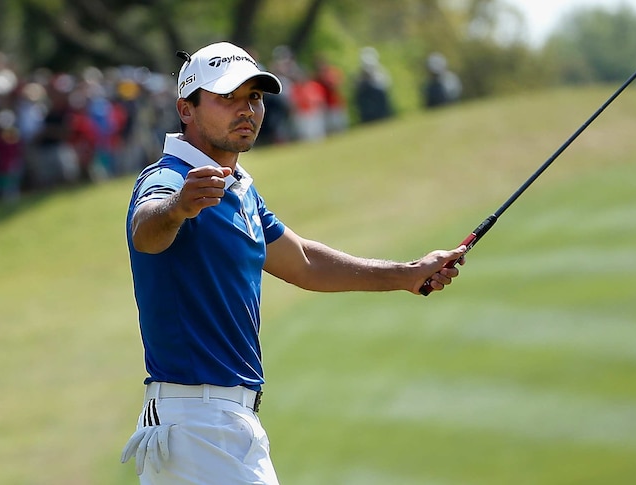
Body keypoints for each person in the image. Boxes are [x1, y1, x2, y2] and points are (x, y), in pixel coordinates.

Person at [120, 41, 466, 484]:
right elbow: (145, 233)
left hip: (216, 423)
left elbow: (303, 262)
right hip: (200, 425)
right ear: (186, 109)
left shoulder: (240, 188)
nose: (246, 109)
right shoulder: (170, 178)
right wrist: (178, 208)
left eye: (255, 98)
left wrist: (405, 274)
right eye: (228, 97)